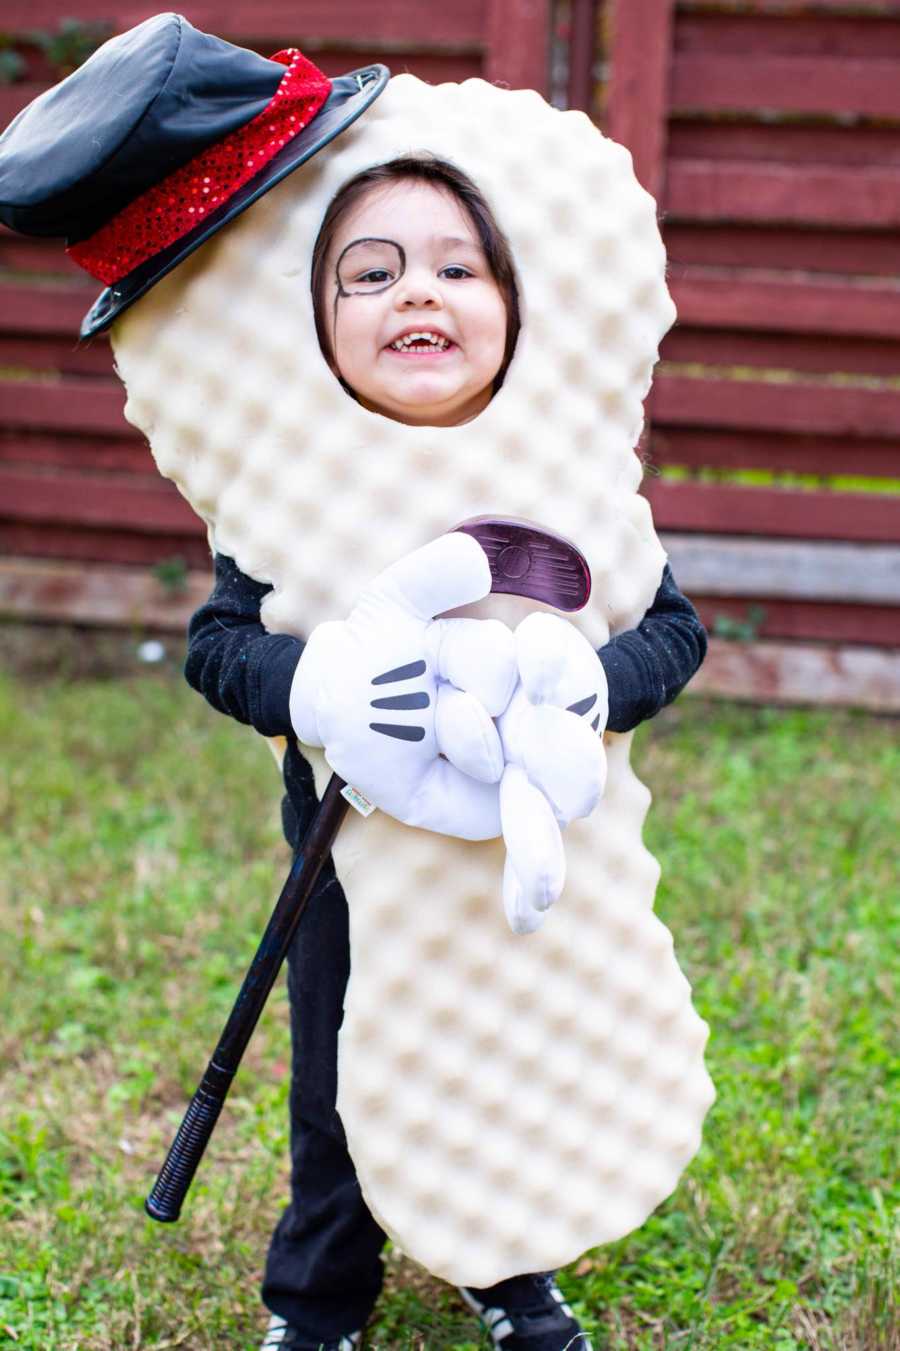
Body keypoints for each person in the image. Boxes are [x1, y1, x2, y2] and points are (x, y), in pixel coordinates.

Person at [184, 154, 708, 1351]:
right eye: (370, 275)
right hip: (353, 871)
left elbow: (673, 629)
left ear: (515, 310)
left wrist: (597, 683)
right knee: (338, 1084)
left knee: (508, 1060)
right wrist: (308, 681)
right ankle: (317, 1300)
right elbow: (219, 647)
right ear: (320, 332)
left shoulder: (572, 484)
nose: (415, 293)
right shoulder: (289, 500)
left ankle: (506, 1267)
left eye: (455, 267)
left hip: (534, 859)